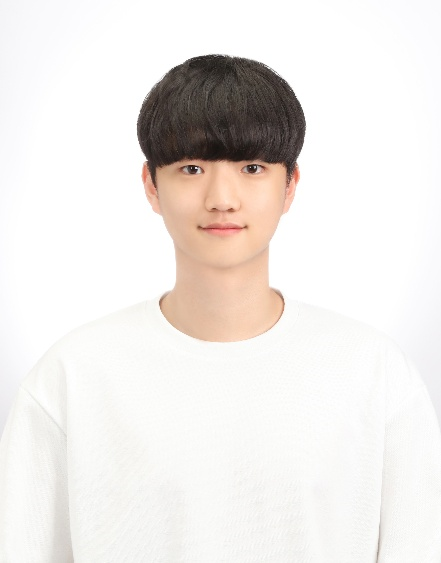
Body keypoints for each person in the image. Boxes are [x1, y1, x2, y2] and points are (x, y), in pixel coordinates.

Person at [0, 54, 440, 563]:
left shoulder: (375, 374)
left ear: (290, 186)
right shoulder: (71, 378)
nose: (222, 198)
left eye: (252, 168)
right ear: (151, 185)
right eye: (192, 168)